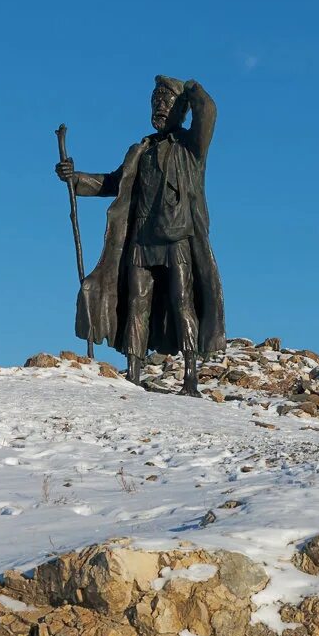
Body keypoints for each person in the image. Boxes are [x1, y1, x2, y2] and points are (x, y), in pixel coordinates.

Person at [56, 75, 225, 396]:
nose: (159, 106)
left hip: (178, 237)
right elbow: (111, 183)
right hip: (142, 239)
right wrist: (74, 179)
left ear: (182, 110)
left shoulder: (191, 146)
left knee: (182, 302)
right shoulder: (141, 150)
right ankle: (133, 375)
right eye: (155, 100)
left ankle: (191, 377)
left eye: (167, 101)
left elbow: (209, 112)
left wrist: (190, 89)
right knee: (137, 303)